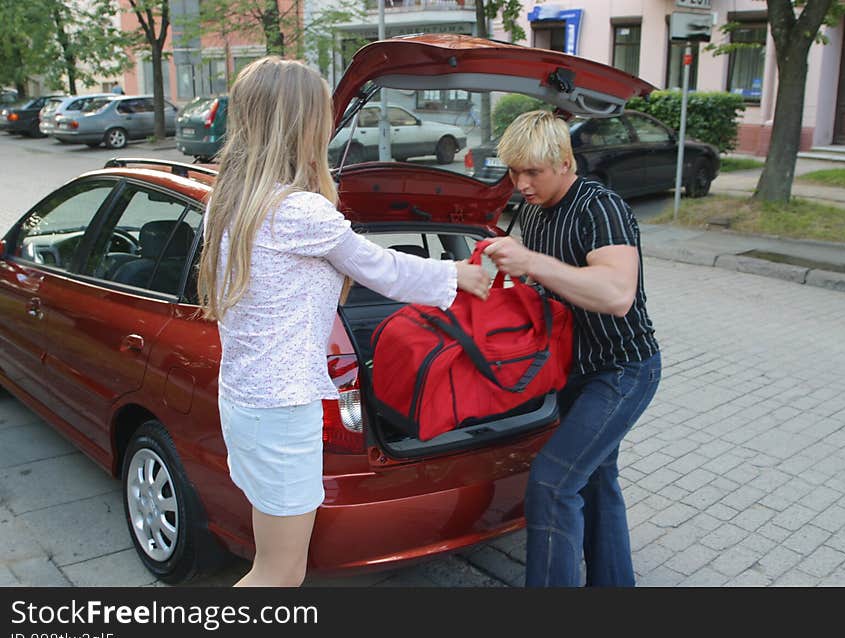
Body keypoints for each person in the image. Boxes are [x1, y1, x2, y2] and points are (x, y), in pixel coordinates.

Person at [197, 57, 490, 587]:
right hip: (283, 410)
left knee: (270, 561)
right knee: (280, 573)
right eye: (322, 114)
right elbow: (382, 269)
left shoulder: (234, 199)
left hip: (247, 401)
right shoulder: (298, 211)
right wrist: (458, 275)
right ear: (303, 123)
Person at [483, 110, 661, 587]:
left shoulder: (600, 207)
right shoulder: (534, 209)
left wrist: (533, 262)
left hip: (622, 370)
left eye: (532, 172)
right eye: (514, 172)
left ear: (564, 162)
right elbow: (538, 284)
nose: (520, 184)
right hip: (571, 371)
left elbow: (617, 294)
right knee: (598, 482)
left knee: (551, 483)